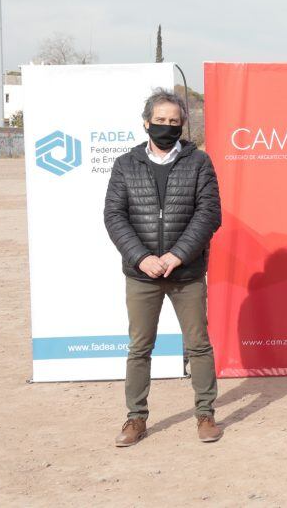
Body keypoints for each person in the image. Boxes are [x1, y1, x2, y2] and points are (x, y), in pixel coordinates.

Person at [103, 88, 223, 447]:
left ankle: (205, 414)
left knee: (198, 345)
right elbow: (114, 216)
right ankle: (135, 419)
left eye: (173, 121)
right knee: (140, 347)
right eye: (160, 121)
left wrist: (177, 255)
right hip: (141, 273)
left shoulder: (199, 162)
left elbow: (209, 214)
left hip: (186, 273)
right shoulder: (126, 164)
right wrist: (142, 257)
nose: (166, 127)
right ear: (146, 123)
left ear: (182, 125)